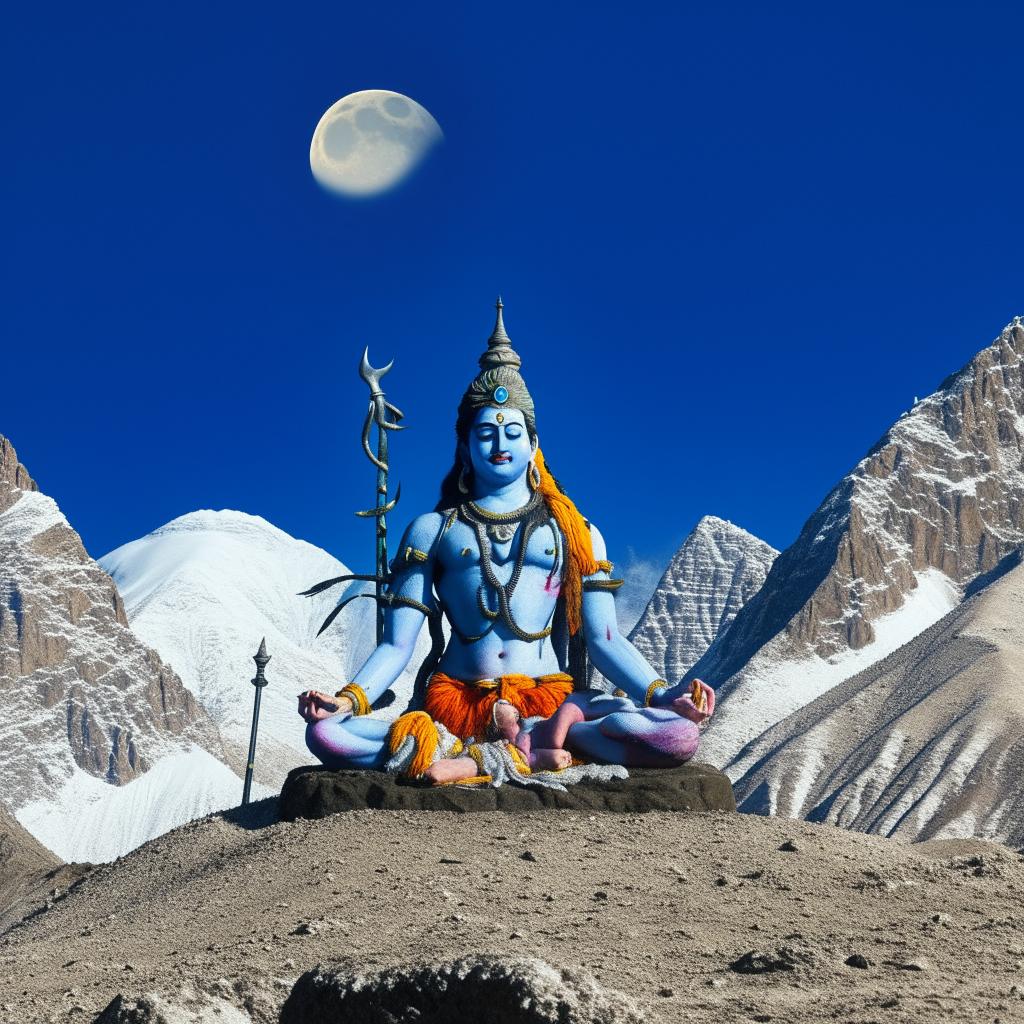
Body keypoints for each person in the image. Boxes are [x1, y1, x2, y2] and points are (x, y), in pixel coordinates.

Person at [298, 300, 714, 786]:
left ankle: (522, 746)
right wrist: (346, 701)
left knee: (677, 736)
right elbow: (397, 643)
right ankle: (534, 750)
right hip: (455, 705)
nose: (500, 443)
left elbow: (603, 639)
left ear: (533, 446)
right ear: (465, 447)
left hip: (547, 699)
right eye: (486, 433)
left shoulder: (575, 531)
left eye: (513, 432)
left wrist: (664, 699)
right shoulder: (431, 531)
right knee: (327, 737)